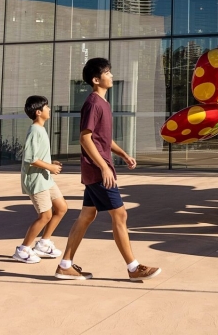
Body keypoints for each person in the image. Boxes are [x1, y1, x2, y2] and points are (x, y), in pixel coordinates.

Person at [55, 58, 161, 281]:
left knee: (87, 215)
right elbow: (85, 138)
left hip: (97, 169)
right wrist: (104, 167)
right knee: (120, 214)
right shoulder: (93, 103)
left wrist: (123, 155)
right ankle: (133, 268)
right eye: (107, 73)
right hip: (97, 171)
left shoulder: (104, 103)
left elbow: (103, 139)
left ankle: (65, 265)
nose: (111, 76)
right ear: (96, 80)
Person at [14, 96, 68, 263]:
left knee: (61, 208)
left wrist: (50, 164)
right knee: (45, 215)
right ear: (38, 112)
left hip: (45, 178)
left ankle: (43, 244)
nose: (49, 109)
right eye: (46, 107)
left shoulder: (41, 129)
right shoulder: (34, 131)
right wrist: (50, 167)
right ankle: (23, 250)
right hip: (36, 180)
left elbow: (38, 156)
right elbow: (30, 158)